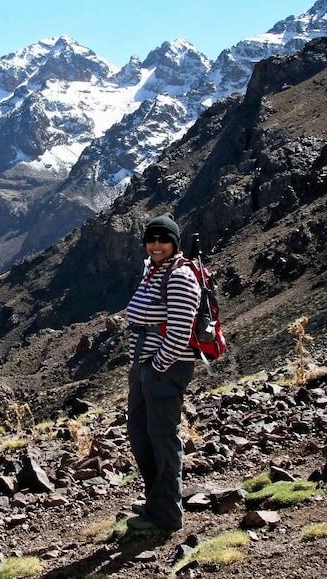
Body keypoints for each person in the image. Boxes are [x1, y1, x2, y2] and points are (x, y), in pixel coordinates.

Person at [125, 213, 201, 531]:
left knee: (162, 439)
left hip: (164, 370)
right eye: (152, 239)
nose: (156, 244)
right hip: (144, 369)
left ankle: (167, 514)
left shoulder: (181, 277)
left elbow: (181, 331)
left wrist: (157, 366)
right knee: (141, 436)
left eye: (163, 239)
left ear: (174, 243)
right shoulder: (154, 271)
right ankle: (157, 500)